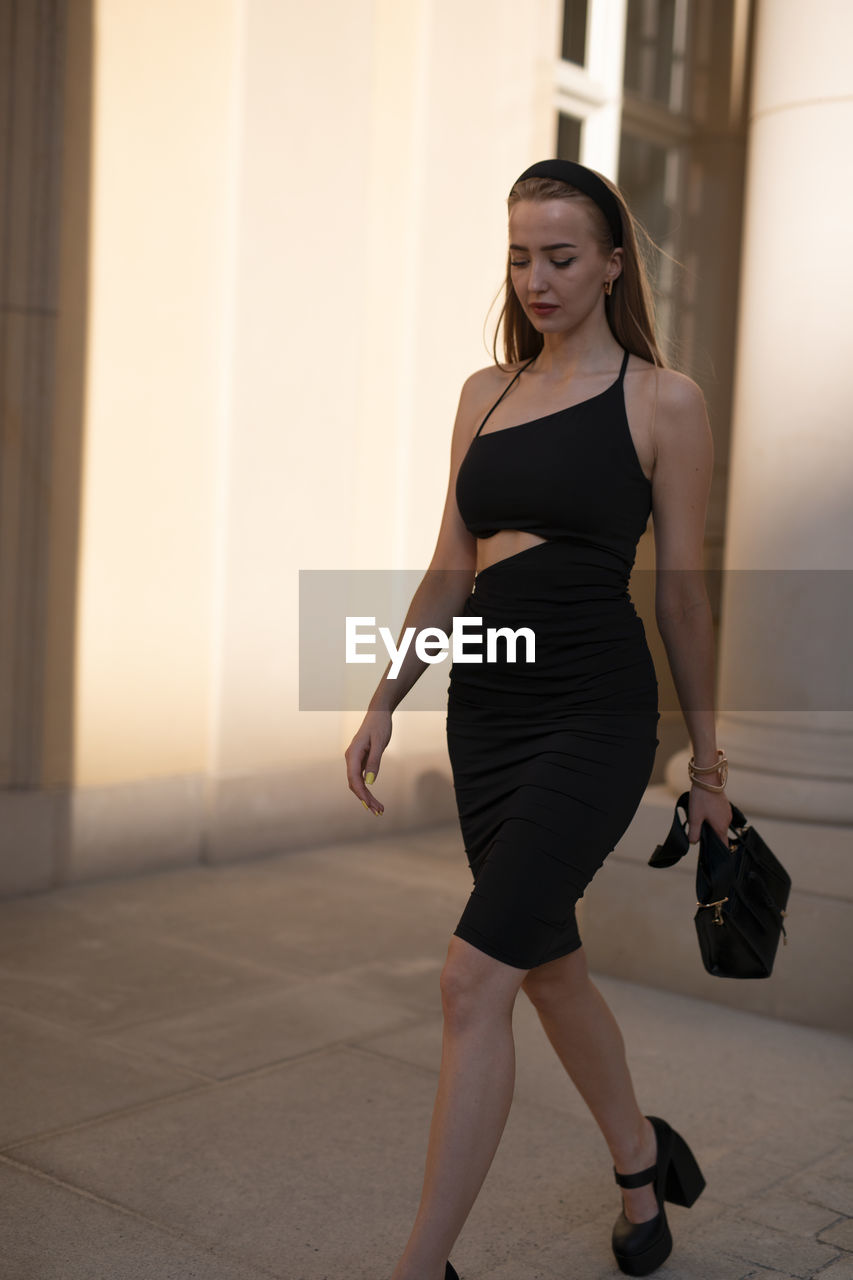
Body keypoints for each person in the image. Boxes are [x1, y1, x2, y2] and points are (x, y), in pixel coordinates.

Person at [344, 158, 733, 1280]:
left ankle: (423, 1265)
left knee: (474, 974)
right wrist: (385, 693)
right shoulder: (486, 391)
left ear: (614, 262)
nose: (536, 279)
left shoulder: (664, 400)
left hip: (596, 708)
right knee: (545, 961)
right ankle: (639, 1160)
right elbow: (447, 568)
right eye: (520, 256)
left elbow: (684, 594)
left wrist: (706, 765)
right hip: (491, 706)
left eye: (560, 256)